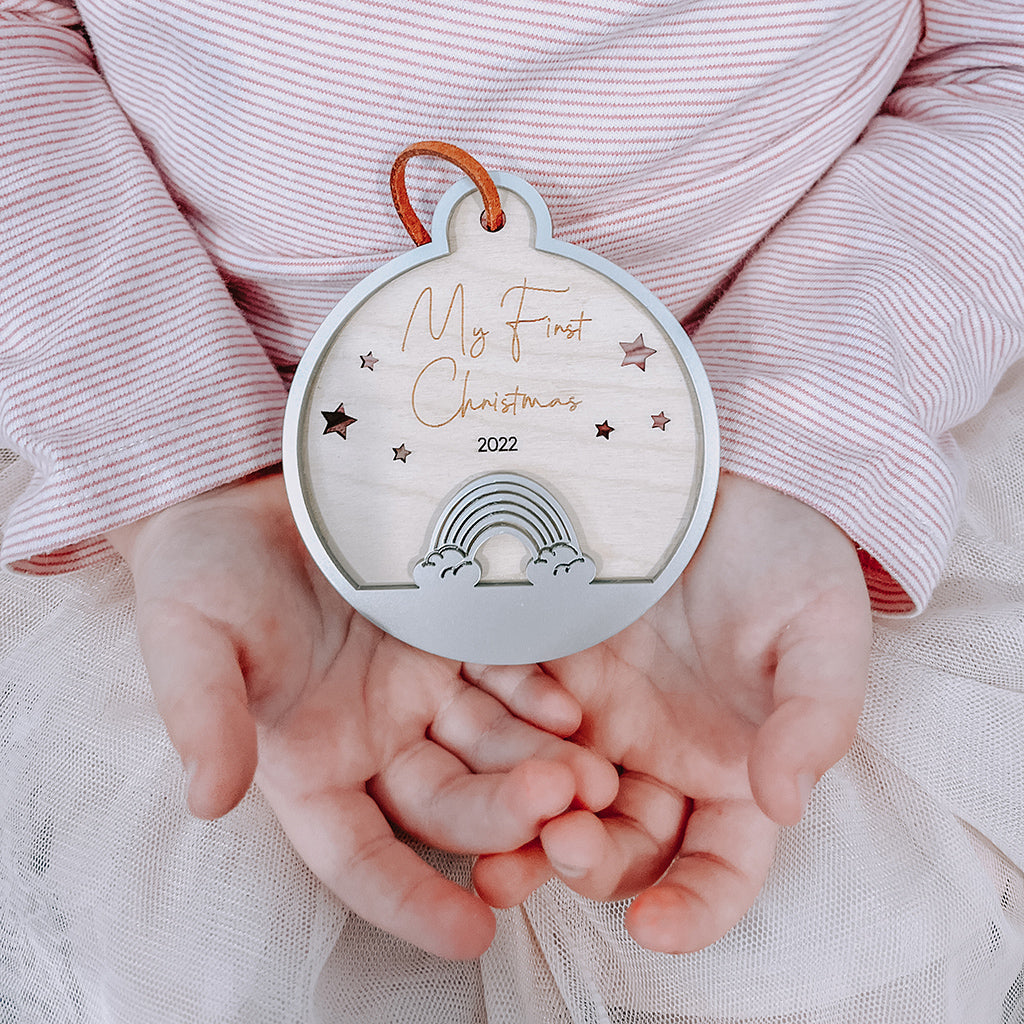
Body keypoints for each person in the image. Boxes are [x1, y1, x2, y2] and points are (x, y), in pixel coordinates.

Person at [1, 0, 1022, 1020]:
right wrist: (177, 455)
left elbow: (998, 58)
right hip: (175, 401)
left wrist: (804, 430)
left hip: (787, 429)